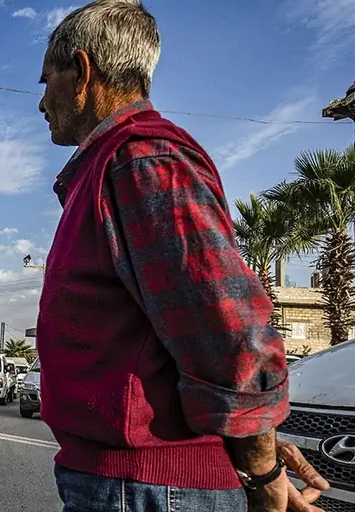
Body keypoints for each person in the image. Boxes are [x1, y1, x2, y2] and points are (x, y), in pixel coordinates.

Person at [34, 1, 328, 511]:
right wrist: (254, 453)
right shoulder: (114, 167)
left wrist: (263, 473)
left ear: (82, 73)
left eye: (45, 82)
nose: (41, 103)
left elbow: (226, 332)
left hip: (149, 490)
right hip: (134, 485)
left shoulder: (144, 159)